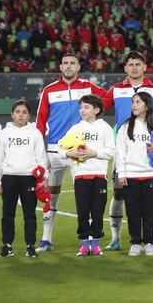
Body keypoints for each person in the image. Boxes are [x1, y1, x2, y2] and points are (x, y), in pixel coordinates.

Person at [101, 51, 153, 252]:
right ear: (125, 68)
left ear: (144, 67)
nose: (134, 67)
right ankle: (116, 238)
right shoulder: (116, 90)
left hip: (148, 161)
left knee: (151, 200)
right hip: (125, 151)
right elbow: (98, 108)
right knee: (118, 193)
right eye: (130, 64)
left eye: (137, 64)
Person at [35, 52, 106, 252]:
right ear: (60, 66)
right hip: (53, 151)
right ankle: (46, 239)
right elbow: (40, 122)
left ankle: (89, 240)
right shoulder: (49, 90)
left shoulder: (88, 87)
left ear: (78, 67)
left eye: (72, 63)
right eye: (65, 62)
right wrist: (39, 152)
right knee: (51, 194)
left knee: (86, 195)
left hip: (80, 152)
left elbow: (107, 99)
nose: (68, 66)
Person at [59, 95, 115, 256]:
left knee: (97, 212)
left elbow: (111, 151)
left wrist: (93, 153)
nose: (82, 110)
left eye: (86, 107)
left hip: (99, 176)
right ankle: (84, 244)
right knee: (82, 211)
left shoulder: (104, 128)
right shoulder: (76, 128)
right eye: (81, 107)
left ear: (96, 110)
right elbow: (60, 148)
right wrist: (70, 153)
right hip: (80, 176)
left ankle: (96, 244)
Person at [115, 92, 153, 256]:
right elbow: (120, 152)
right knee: (133, 211)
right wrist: (121, 173)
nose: (134, 105)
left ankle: (149, 243)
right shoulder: (125, 127)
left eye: (138, 102)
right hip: (130, 175)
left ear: (147, 105)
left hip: (151, 174)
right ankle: (136, 243)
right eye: (133, 102)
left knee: (149, 211)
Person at [0, 100, 48, 258]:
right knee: (7, 213)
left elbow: (41, 158)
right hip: (9, 178)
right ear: (12, 114)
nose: (21, 115)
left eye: (24, 112)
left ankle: (30, 246)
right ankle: (7, 246)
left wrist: (43, 178)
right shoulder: (4, 134)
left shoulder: (35, 133)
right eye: (17, 112)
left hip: (29, 179)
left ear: (29, 115)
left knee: (29, 213)